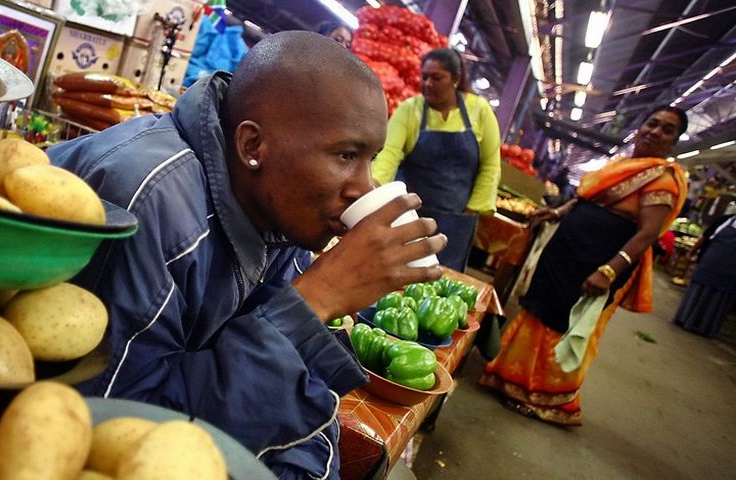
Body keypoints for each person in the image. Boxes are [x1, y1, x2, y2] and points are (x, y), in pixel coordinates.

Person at [49, 31, 446, 478]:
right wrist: (314, 300)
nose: (364, 187)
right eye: (345, 154)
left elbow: (300, 398)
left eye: (369, 158)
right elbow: (113, 429)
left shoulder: (281, 208)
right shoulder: (151, 204)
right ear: (252, 145)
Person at [479, 106, 689, 426]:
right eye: (652, 123)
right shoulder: (623, 165)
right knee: (540, 308)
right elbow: (585, 200)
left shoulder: (663, 179)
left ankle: (544, 399)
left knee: (565, 322)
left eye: (667, 129)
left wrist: (608, 271)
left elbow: (647, 234)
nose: (655, 131)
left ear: (674, 141)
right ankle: (510, 379)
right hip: (567, 252)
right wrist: (555, 213)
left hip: (598, 261)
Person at [371, 48, 501, 272]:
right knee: (395, 273)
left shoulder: (479, 111)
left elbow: (491, 164)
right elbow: (388, 154)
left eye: (437, 77)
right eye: (424, 77)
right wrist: (373, 188)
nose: (428, 83)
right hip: (408, 216)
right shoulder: (409, 110)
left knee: (441, 282)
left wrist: (471, 210)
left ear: (456, 79)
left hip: (456, 222)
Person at [673, 202, 736, 337]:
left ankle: (705, 328)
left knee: (717, 299)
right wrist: (692, 251)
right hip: (709, 264)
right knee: (697, 292)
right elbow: (705, 237)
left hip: (730, 273)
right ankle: (684, 319)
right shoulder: (724, 221)